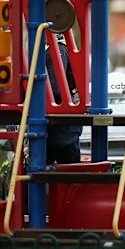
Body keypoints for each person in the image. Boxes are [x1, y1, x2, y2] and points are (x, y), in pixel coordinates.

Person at [45, 34, 82, 164]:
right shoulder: (60, 48)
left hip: (61, 129)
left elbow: (56, 89)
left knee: (69, 179)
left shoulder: (56, 50)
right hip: (59, 127)